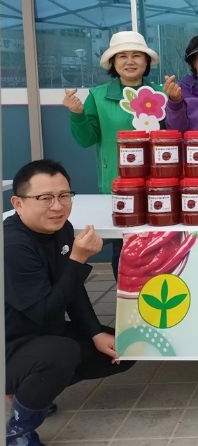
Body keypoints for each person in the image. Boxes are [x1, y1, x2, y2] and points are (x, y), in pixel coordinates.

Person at [5, 160, 134, 446]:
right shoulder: (12, 246)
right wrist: (77, 259)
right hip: (11, 342)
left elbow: (72, 292)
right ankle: (18, 432)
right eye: (45, 198)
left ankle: (29, 390)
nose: (57, 206)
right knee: (61, 353)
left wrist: (95, 332)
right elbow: (43, 313)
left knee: (123, 349)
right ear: (18, 203)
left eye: (64, 195)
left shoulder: (62, 229)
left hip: (40, 334)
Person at [63, 31, 162, 278]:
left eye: (136, 55)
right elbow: (86, 139)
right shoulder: (98, 96)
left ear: (146, 61)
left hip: (159, 181)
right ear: (113, 63)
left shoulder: (161, 93)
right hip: (118, 183)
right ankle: (126, 294)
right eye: (122, 56)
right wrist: (77, 114)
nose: (130, 61)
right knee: (124, 245)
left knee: (159, 241)